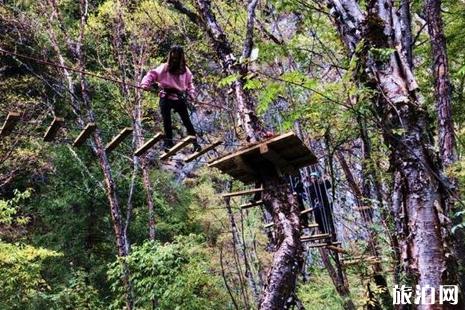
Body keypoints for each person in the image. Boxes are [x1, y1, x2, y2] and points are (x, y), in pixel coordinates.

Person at [140, 45, 201, 152]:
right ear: (170, 56)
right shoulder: (165, 67)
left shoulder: (185, 70)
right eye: (173, 57)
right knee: (166, 121)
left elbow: (190, 83)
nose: (175, 60)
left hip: (179, 97)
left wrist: (191, 93)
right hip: (166, 96)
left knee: (186, 121)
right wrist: (145, 84)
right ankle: (169, 143)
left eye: (177, 58)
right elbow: (151, 74)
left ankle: (195, 143)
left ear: (181, 58)